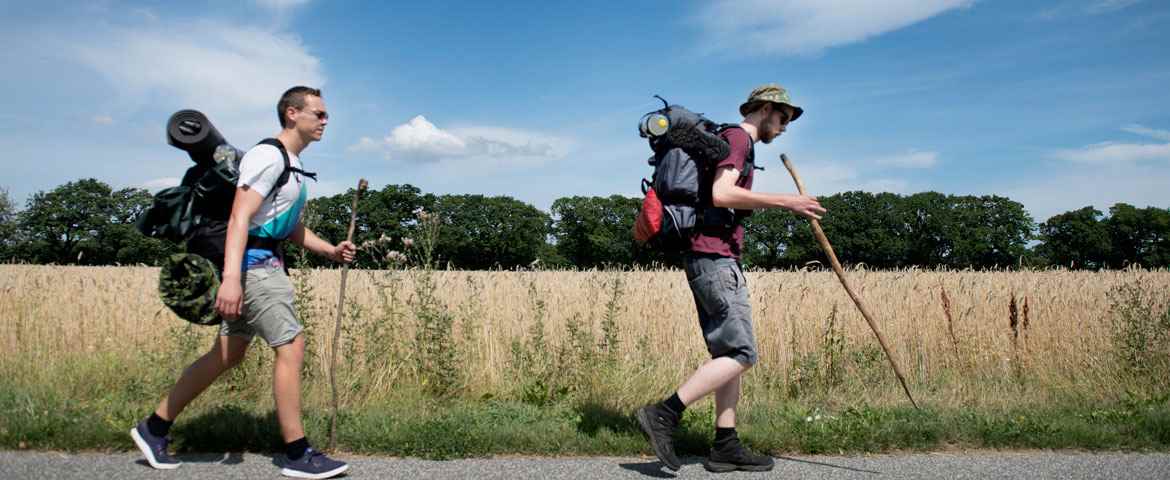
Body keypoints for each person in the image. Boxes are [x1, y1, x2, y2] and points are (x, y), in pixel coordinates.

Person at [131, 86, 355, 479]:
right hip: (255, 268)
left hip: (262, 262)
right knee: (291, 344)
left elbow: (287, 226)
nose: (325, 120)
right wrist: (232, 280)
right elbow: (239, 218)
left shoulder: (290, 162)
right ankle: (297, 452)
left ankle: (154, 428)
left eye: (325, 114)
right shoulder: (268, 156)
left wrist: (330, 250)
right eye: (318, 113)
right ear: (291, 113)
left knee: (227, 354)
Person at [636, 84, 827, 473]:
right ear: (766, 109)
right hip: (714, 257)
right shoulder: (738, 138)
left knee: (727, 355)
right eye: (784, 117)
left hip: (711, 256)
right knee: (742, 354)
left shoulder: (732, 140)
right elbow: (722, 194)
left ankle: (726, 444)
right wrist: (789, 202)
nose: (786, 127)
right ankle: (664, 413)